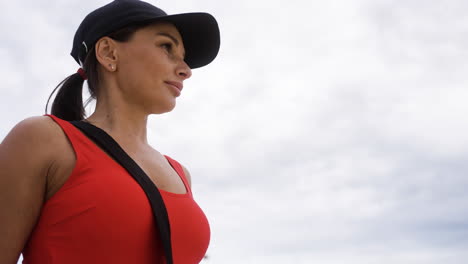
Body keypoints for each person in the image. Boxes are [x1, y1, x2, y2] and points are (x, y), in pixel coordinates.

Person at [0, 0, 220, 263]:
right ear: (109, 53)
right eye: (166, 47)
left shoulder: (180, 174)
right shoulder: (42, 140)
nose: (185, 70)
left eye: (183, 57)